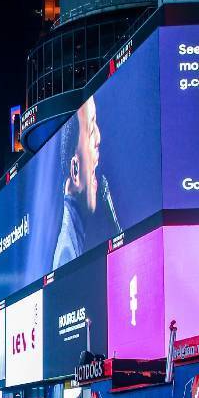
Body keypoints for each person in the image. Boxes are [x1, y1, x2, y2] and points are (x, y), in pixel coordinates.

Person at [53, 95, 116, 269]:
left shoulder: (75, 240)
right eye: (90, 129)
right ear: (75, 170)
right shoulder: (67, 254)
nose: (98, 138)